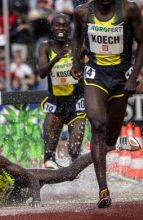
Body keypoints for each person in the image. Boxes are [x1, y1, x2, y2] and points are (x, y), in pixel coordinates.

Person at [71, 0, 143, 208]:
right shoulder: (82, 12)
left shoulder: (129, 9)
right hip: (95, 75)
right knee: (98, 125)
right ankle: (103, 188)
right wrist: (75, 62)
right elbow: (77, 38)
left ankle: (110, 146)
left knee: (111, 136)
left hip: (121, 77)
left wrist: (134, 76)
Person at [0, 149, 104, 211]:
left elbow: (29, 176)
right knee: (41, 181)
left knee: (68, 174)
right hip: (9, 200)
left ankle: (107, 146)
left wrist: (36, 199)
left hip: (17, 186)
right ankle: (44, 178)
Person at [38, 13, 86, 169]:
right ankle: (53, 181)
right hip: (56, 102)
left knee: (74, 150)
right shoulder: (45, 47)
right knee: (49, 154)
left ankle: (76, 177)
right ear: (52, 28)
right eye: (57, 25)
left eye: (64, 25)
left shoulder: (76, 46)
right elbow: (42, 73)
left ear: (68, 28)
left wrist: (81, 71)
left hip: (76, 102)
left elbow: (90, 66)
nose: (61, 28)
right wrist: (55, 59)